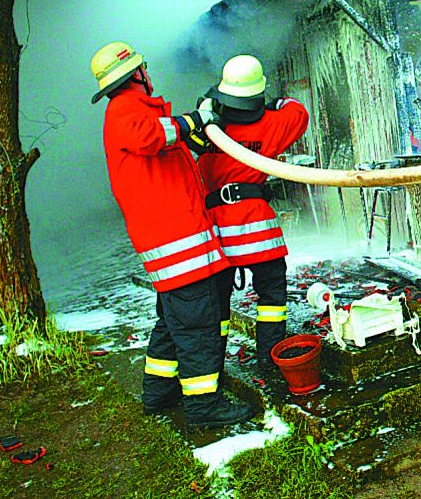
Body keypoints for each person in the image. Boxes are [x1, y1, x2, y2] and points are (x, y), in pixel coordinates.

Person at [90, 41, 257, 429]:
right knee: (199, 326)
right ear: (136, 74)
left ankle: (159, 393)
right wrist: (195, 120)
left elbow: (170, 144)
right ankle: (204, 408)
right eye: (143, 67)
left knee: (174, 322)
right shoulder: (126, 110)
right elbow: (154, 137)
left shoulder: (138, 113)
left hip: (183, 246)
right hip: (178, 246)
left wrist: (196, 128)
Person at [196, 54, 310, 374]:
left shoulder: (205, 128)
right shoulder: (273, 124)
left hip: (216, 229)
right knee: (272, 295)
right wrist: (277, 103)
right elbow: (299, 114)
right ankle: (270, 362)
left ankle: (212, 368)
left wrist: (208, 106)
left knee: (217, 305)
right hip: (256, 225)